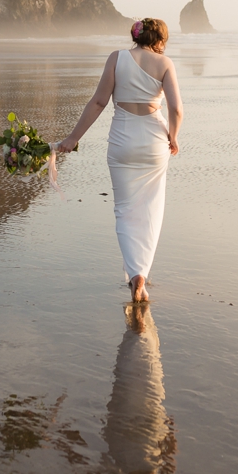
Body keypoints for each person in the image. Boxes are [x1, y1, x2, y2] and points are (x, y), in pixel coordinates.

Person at [57, 17, 182, 304]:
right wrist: (173, 137)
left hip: (123, 141)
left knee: (125, 210)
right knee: (151, 209)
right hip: (154, 142)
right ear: (160, 40)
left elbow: (99, 102)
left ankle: (134, 273)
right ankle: (142, 274)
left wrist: (73, 138)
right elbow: (176, 109)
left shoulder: (117, 58)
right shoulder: (165, 64)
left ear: (136, 35)